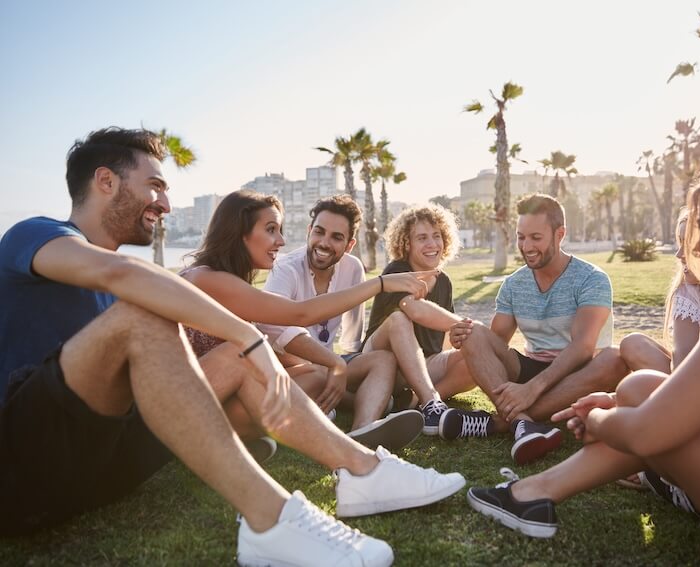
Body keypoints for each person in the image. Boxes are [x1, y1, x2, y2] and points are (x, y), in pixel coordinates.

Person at [0, 128, 464, 567]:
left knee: (236, 360)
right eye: (155, 185)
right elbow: (121, 275)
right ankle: (268, 521)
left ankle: (362, 471)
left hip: (98, 466)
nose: (164, 203)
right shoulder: (37, 234)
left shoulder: (125, 280)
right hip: (22, 467)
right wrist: (248, 334)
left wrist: (250, 349)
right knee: (152, 317)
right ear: (105, 180)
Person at [466, 155, 700, 567]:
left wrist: (597, 420)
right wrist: (625, 409)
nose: (698, 249)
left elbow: (648, 434)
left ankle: (532, 490)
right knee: (640, 387)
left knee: (647, 412)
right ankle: (533, 493)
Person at [182, 191, 424, 452]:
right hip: (194, 404)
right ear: (241, 232)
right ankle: (243, 436)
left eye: (280, 230)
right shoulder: (208, 279)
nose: (281, 240)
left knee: (316, 374)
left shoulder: (226, 280)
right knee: (309, 373)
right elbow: (299, 314)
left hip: (224, 394)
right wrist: (380, 284)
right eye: (271, 229)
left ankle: (355, 424)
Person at [446, 193, 627, 465]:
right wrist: (463, 337)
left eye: (536, 237)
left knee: (614, 359)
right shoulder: (513, 284)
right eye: (521, 237)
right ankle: (523, 423)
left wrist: (532, 389)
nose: (526, 246)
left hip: (580, 373)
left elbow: (583, 347)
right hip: (533, 366)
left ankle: (499, 423)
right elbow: (494, 345)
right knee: (473, 331)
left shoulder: (592, 278)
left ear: (560, 234)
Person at [616, 209, 700, 492]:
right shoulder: (687, 291)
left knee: (631, 396)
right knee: (632, 343)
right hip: (690, 379)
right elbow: (682, 357)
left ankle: (658, 459)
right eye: (677, 243)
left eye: (687, 246)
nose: (677, 255)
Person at [361, 204, 478, 434]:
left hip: (422, 367)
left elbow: (446, 337)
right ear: (407, 243)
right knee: (399, 319)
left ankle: (414, 402)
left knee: (475, 359)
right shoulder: (398, 270)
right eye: (422, 238)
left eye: (437, 236)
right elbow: (415, 310)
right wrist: (466, 324)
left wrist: (463, 344)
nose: (432, 244)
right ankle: (431, 402)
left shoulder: (444, 282)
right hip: (381, 361)